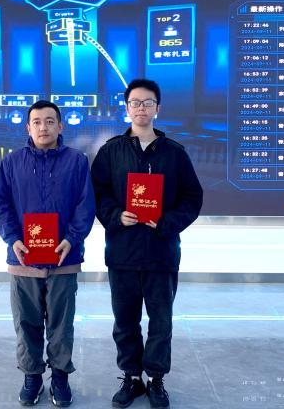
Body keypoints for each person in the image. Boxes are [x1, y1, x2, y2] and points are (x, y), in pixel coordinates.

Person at [91, 79, 203, 408]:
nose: (141, 108)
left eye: (148, 102)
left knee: (161, 321)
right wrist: (115, 215)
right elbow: (97, 194)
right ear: (127, 108)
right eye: (135, 102)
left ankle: (155, 379)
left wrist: (167, 222)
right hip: (122, 251)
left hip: (161, 252)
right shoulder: (111, 151)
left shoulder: (174, 153)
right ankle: (131, 377)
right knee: (125, 321)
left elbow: (192, 198)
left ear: (158, 108)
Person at [0, 100, 95, 407]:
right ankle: (32, 376)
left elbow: (86, 205)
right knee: (27, 322)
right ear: (28, 127)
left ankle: (60, 377)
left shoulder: (77, 161)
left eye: (50, 121)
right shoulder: (11, 162)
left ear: (60, 126)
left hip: (64, 259)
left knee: (62, 324)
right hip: (24, 259)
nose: (43, 127)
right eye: (36, 122)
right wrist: (13, 239)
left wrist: (71, 239)